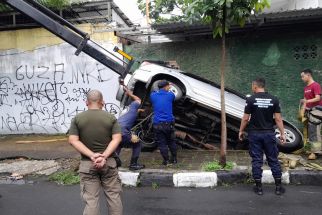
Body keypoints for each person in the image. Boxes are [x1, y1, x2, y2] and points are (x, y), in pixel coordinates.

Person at [68, 90, 122, 215]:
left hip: (88, 165)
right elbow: (117, 139)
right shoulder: (111, 118)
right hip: (109, 163)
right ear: (102, 102)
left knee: (91, 200)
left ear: (86, 102)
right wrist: (104, 156)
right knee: (114, 197)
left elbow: (73, 140)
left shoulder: (77, 118)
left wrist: (92, 155)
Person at [239, 78, 286, 196]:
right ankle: (278, 188)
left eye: (252, 86)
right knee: (273, 159)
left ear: (255, 86)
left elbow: (245, 118)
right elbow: (278, 119)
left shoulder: (250, 99)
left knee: (256, 160)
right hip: (269, 134)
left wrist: (241, 130)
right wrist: (282, 133)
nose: (252, 88)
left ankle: (259, 188)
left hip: (254, 134)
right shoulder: (274, 99)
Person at [116, 87, 145, 171]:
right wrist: (130, 94)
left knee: (118, 144)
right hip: (123, 130)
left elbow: (133, 112)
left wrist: (139, 111)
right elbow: (138, 99)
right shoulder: (134, 105)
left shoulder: (126, 109)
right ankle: (133, 164)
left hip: (115, 129)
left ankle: (113, 165)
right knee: (137, 143)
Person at [150, 80, 177, 166]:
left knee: (162, 143)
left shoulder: (153, 95)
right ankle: (175, 159)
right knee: (171, 142)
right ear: (165, 87)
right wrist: (170, 86)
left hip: (158, 124)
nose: (169, 87)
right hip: (169, 124)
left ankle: (166, 161)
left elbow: (154, 92)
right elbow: (172, 94)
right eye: (168, 86)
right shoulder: (170, 95)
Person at [300, 69, 322, 160]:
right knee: (310, 132)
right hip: (309, 112)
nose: (302, 78)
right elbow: (305, 101)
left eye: (303, 76)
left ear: (308, 75)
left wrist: (306, 101)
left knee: (315, 132)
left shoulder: (315, 85)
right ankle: (312, 150)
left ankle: (315, 153)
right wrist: (302, 111)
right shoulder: (306, 88)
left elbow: (318, 98)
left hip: (316, 112)